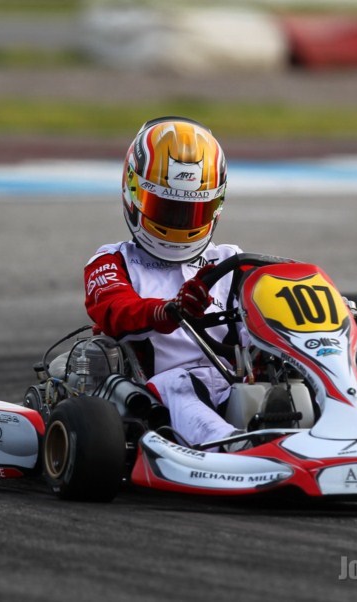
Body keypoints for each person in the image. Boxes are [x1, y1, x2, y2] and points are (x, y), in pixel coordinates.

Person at [83, 116, 244, 449]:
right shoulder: (113, 260)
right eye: (167, 209)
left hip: (235, 382)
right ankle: (231, 446)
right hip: (158, 393)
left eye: (194, 211)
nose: (180, 223)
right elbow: (116, 310)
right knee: (179, 385)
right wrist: (169, 310)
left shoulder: (232, 260)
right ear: (134, 193)